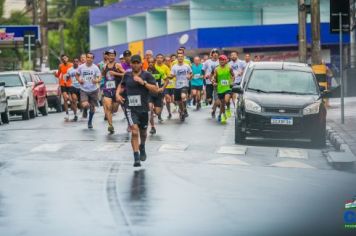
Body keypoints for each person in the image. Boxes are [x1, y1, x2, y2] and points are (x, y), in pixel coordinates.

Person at [116, 55, 159, 167]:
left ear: (141, 64)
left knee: (143, 132)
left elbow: (156, 90)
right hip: (130, 107)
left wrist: (143, 82)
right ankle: (136, 157)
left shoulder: (147, 75)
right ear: (130, 64)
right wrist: (117, 94)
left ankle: (142, 146)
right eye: (133, 63)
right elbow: (121, 85)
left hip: (144, 108)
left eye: (137, 62)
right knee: (134, 131)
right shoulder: (127, 75)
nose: (135, 64)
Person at [102, 49, 125, 134]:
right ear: (107, 56)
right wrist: (97, 80)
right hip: (107, 89)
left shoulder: (117, 65)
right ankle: (110, 125)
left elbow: (125, 74)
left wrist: (115, 74)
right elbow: (103, 76)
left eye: (112, 55)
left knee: (114, 109)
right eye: (109, 55)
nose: (110, 57)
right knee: (108, 107)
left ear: (115, 56)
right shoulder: (105, 66)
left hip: (116, 90)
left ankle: (111, 118)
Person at [76, 52, 101, 129]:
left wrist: (96, 80)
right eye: (88, 57)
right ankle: (85, 110)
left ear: (93, 59)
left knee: (93, 109)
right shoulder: (81, 67)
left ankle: (90, 121)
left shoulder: (95, 67)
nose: (89, 59)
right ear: (86, 58)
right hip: (84, 89)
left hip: (93, 90)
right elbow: (77, 75)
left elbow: (99, 77)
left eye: (91, 58)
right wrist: (79, 80)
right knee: (85, 105)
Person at [147, 57, 168, 134]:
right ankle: (152, 127)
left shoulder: (160, 71)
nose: (150, 64)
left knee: (157, 112)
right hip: (149, 94)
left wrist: (162, 88)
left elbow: (167, 80)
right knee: (150, 110)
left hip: (158, 94)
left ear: (154, 62)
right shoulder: (145, 72)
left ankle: (161, 105)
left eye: (152, 62)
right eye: (149, 62)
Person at [169, 53, 192, 121]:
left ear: (183, 58)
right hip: (177, 86)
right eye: (179, 57)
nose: (180, 58)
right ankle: (182, 111)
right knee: (179, 102)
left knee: (183, 96)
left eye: (181, 56)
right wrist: (169, 76)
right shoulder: (174, 67)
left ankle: (184, 109)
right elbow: (171, 75)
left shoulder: (187, 66)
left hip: (185, 84)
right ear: (177, 58)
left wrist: (189, 76)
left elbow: (191, 73)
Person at [212, 55, 234, 124]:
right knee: (222, 103)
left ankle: (228, 109)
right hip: (220, 89)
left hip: (227, 87)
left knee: (226, 100)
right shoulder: (216, 69)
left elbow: (233, 76)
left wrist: (232, 82)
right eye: (220, 60)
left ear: (226, 61)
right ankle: (223, 115)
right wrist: (214, 82)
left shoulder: (229, 68)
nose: (221, 61)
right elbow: (214, 78)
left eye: (223, 60)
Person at [55, 54, 73, 120]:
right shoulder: (60, 66)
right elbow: (58, 74)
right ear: (62, 60)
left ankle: (74, 113)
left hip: (70, 84)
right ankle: (67, 114)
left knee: (71, 100)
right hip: (63, 84)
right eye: (63, 59)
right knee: (65, 99)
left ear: (67, 58)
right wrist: (55, 74)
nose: (64, 59)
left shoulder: (71, 65)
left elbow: (75, 73)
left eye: (65, 58)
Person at [203, 48, 220, 118]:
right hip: (209, 81)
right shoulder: (207, 62)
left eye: (216, 53)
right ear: (212, 55)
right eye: (214, 53)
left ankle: (213, 110)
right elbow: (203, 70)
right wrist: (204, 76)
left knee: (216, 99)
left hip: (217, 82)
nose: (215, 55)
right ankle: (210, 102)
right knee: (210, 99)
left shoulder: (220, 61)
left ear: (218, 55)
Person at [155, 54, 173, 119]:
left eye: (161, 58)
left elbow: (170, 76)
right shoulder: (153, 66)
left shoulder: (165, 67)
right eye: (158, 58)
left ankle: (167, 113)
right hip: (154, 86)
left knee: (165, 100)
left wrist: (165, 76)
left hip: (163, 86)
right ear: (156, 59)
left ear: (163, 59)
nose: (159, 59)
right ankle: (157, 112)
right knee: (158, 101)